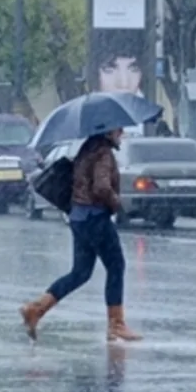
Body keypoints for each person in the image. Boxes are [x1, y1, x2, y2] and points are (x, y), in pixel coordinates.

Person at [19, 129, 141, 344]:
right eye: (118, 130)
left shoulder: (87, 148)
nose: (121, 133)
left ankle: (36, 309)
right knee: (116, 266)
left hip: (78, 217)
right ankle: (116, 324)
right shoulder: (103, 152)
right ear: (108, 132)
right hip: (96, 217)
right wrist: (116, 204)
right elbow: (101, 187)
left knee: (80, 272)